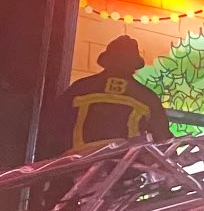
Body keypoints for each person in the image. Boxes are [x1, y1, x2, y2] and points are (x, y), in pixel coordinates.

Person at [37, 35, 169, 161]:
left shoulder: (80, 88)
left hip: (77, 165)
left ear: (107, 62)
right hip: (125, 168)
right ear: (134, 65)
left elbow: (52, 127)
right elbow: (163, 139)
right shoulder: (146, 97)